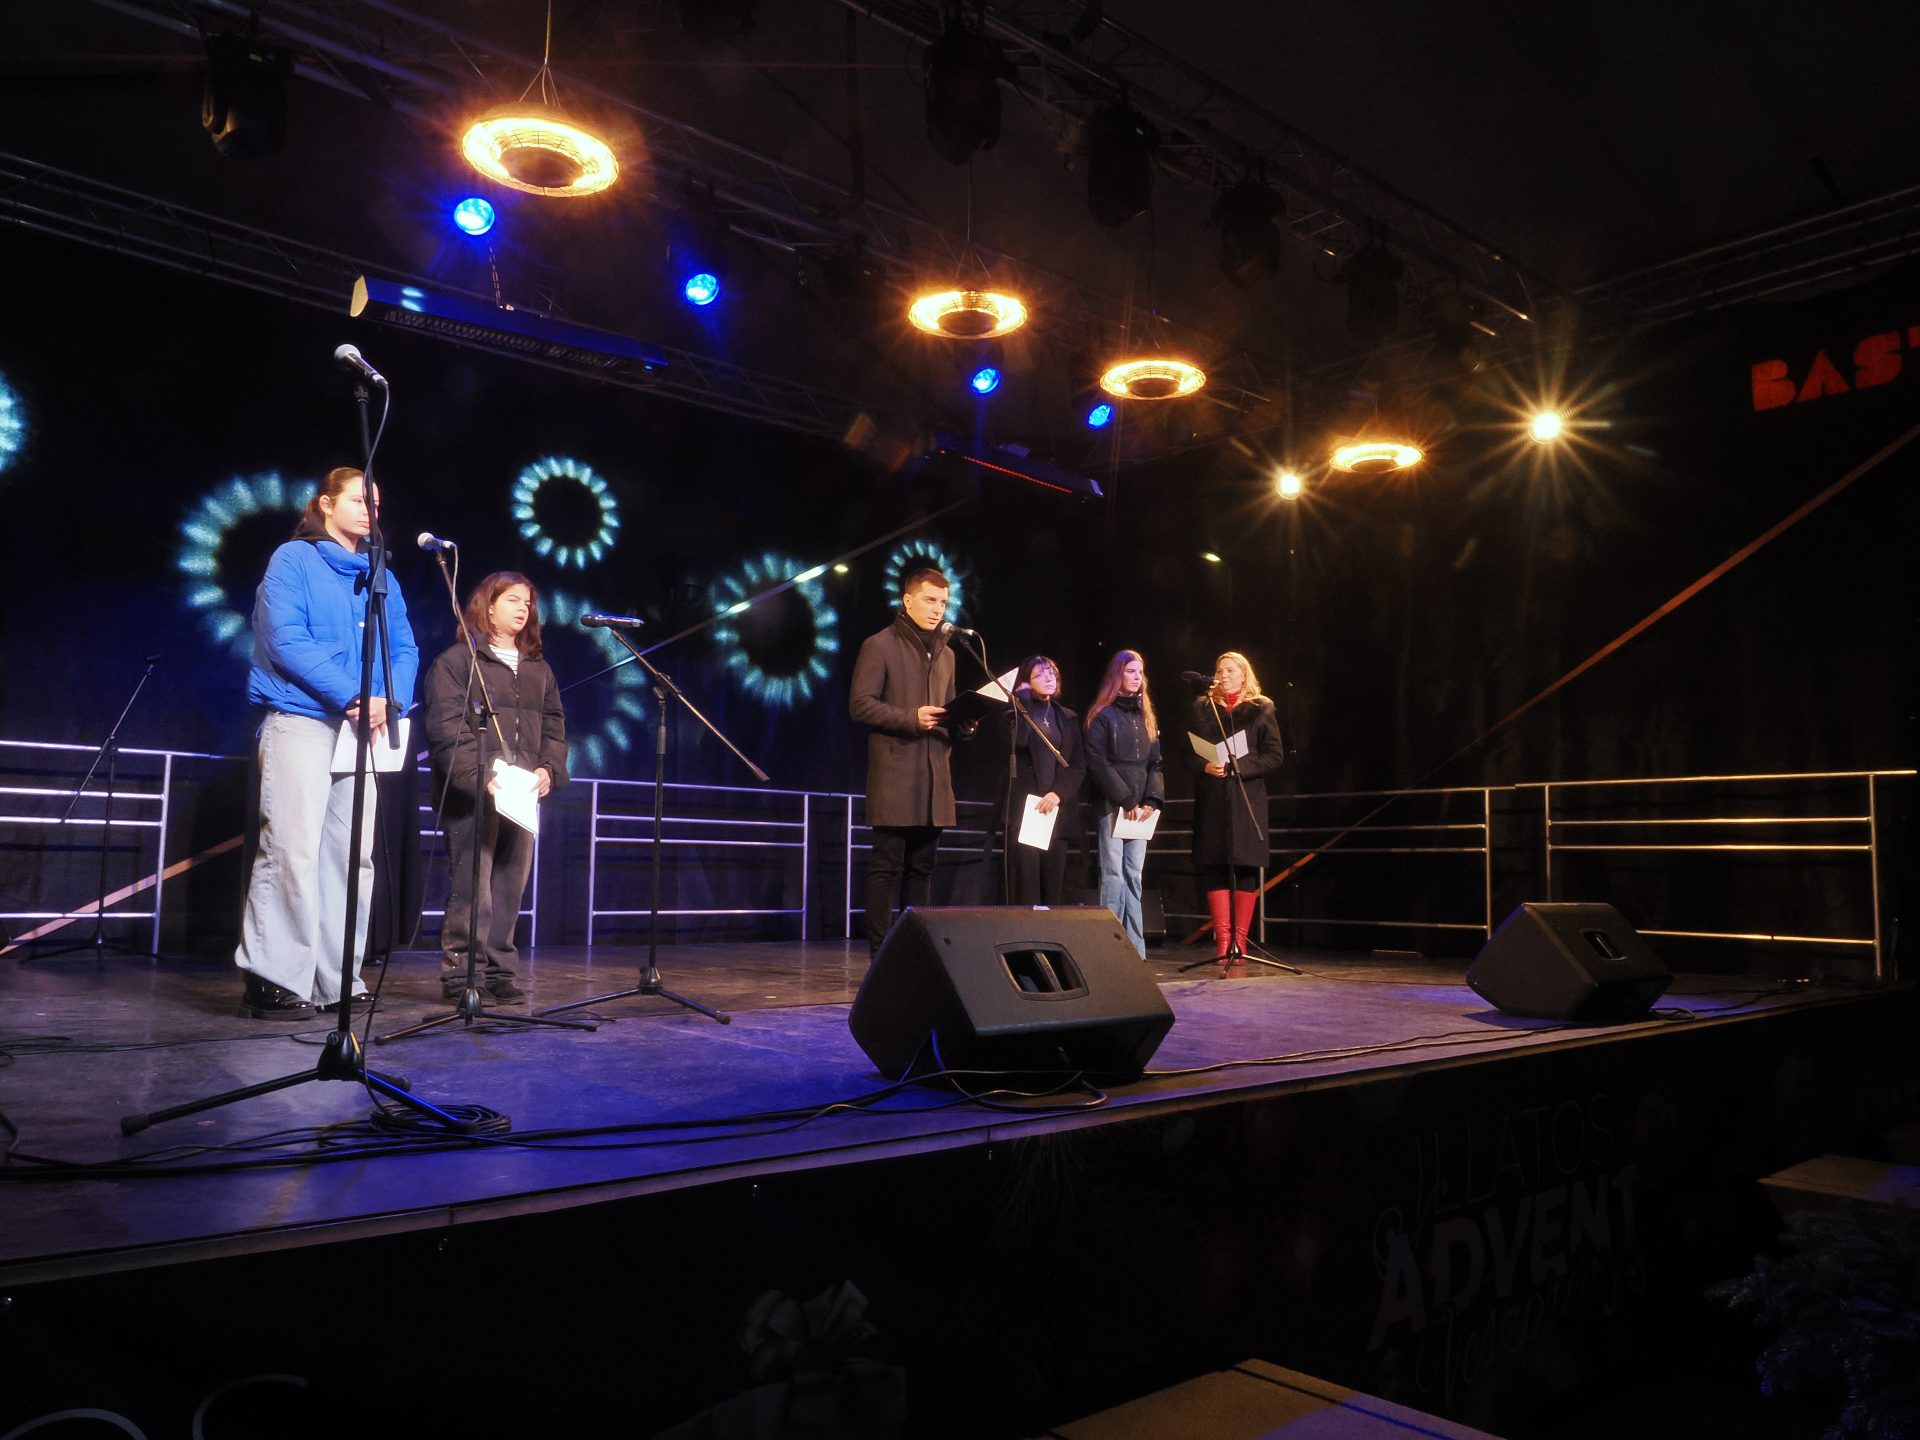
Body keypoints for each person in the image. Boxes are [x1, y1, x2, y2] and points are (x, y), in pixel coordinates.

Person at [233, 466, 418, 1019]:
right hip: (303, 719)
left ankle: (337, 979)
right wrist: (354, 694)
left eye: (376, 503)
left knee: (350, 856)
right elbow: (286, 638)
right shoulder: (293, 559)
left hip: (363, 728)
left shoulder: (381, 574)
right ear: (325, 504)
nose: (370, 511)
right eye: (359, 500)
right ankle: (274, 978)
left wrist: (391, 701)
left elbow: (404, 646)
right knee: (292, 849)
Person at [422, 572, 568, 1004]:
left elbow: (555, 725)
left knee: (509, 886)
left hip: (522, 793)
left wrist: (549, 769)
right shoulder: (457, 661)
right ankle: (462, 975)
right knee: (473, 888)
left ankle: (499, 970)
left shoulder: (539, 668)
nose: (524, 609)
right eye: (513, 600)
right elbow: (446, 729)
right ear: (488, 606)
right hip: (476, 792)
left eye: (528, 602)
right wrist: (482, 777)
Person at [850, 567, 959, 955]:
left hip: (934, 778)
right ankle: (881, 955)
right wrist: (910, 718)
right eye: (930, 600)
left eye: (943, 602)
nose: (937, 609)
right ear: (907, 600)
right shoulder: (879, 645)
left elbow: (947, 711)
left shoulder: (947, 654)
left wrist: (965, 723)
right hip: (896, 774)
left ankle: (914, 952)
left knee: (923, 869)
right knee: (887, 866)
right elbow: (861, 705)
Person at [1189, 650, 1286, 964]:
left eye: (1231, 670)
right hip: (1214, 798)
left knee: (1244, 865)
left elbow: (1274, 755)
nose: (1224, 675)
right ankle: (1223, 941)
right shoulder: (1204, 707)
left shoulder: (1261, 707)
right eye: (1220, 670)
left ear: (1245, 674)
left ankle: (1240, 942)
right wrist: (1205, 766)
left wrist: (1238, 766)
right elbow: (1187, 753)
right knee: (1214, 864)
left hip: (1246, 796)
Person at [1084, 650, 1164, 957]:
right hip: (1113, 806)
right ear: (1117, 675)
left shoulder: (1146, 718)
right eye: (1130, 671)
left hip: (1140, 810)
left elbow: (1155, 764)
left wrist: (1152, 799)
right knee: (1114, 874)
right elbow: (1097, 763)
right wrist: (1125, 798)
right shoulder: (1103, 716)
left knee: (1134, 875)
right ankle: (1109, 947)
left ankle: (1135, 950)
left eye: (1140, 672)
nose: (1137, 677)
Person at [996, 655, 1086, 905]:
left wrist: (1058, 794)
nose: (1048, 677)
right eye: (1040, 674)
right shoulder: (1013, 715)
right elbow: (1018, 742)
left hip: (1056, 810)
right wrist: (1022, 703)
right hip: (1027, 812)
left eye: (1052, 673)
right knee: (1027, 888)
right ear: (1025, 683)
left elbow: (1078, 764)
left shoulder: (1068, 717)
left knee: (1054, 888)